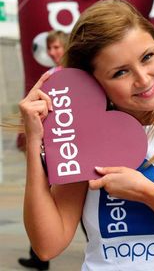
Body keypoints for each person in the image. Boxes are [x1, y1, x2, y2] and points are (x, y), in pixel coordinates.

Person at [19, 0, 154, 270]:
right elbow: (47, 245)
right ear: (93, 81)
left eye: (148, 57)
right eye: (120, 72)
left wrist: (149, 194)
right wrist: (36, 139)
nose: (144, 79)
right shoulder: (82, 132)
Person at [18, 30, 68, 270]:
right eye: (50, 48)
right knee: (42, 200)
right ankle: (39, 257)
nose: (52, 52)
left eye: (57, 47)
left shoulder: (75, 75)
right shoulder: (50, 76)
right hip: (52, 149)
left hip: (69, 149)